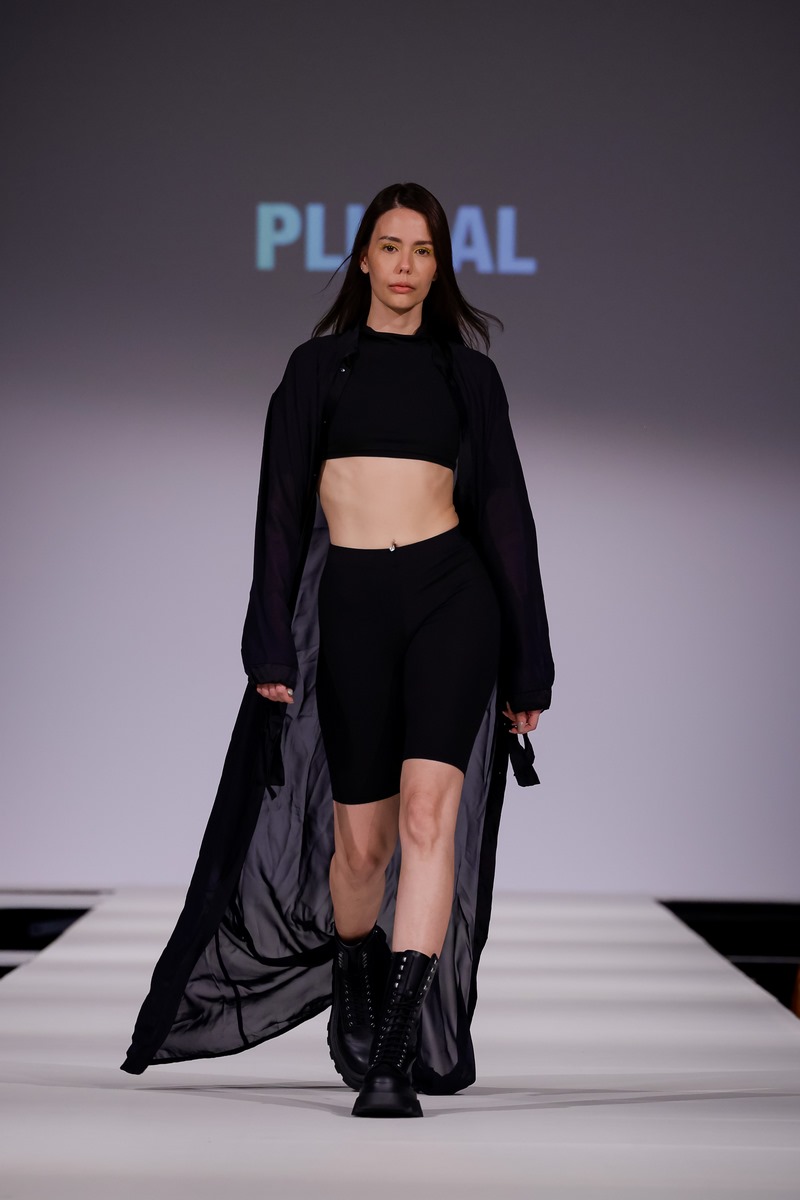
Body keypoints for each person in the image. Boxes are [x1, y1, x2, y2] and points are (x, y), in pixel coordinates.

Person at [120, 183, 554, 1120]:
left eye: (423, 251)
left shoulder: (467, 378)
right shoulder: (318, 369)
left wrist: (531, 664)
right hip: (353, 604)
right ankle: (354, 971)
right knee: (360, 847)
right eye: (390, 247)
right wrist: (269, 645)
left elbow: (507, 519)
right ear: (362, 258)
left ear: (439, 267)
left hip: (453, 598)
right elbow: (280, 515)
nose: (406, 266)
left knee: (430, 818)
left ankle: (392, 1056)